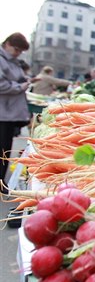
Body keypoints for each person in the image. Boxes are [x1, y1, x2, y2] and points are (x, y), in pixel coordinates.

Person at [0, 32, 32, 193]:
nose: (18, 53)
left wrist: (24, 82)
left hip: (9, 112)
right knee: (2, 148)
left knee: (5, 147)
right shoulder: (2, 60)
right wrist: (20, 87)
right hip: (3, 112)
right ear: (8, 44)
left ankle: (1, 181)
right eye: (17, 49)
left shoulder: (12, 61)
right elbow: (2, 85)